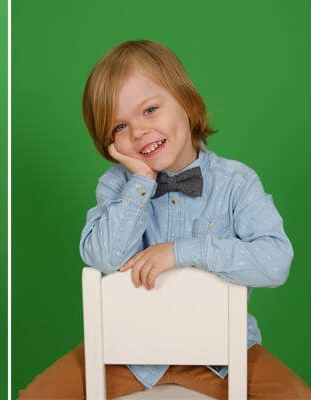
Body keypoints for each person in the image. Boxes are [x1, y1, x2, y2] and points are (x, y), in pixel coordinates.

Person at [18, 40, 311, 399]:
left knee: (296, 395)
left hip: (223, 356)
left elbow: (276, 261)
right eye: (120, 127)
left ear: (186, 102)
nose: (139, 132)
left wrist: (180, 251)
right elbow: (103, 257)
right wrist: (140, 182)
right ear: (108, 143)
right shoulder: (116, 186)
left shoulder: (236, 183)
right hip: (126, 356)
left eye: (150, 110)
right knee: (37, 395)